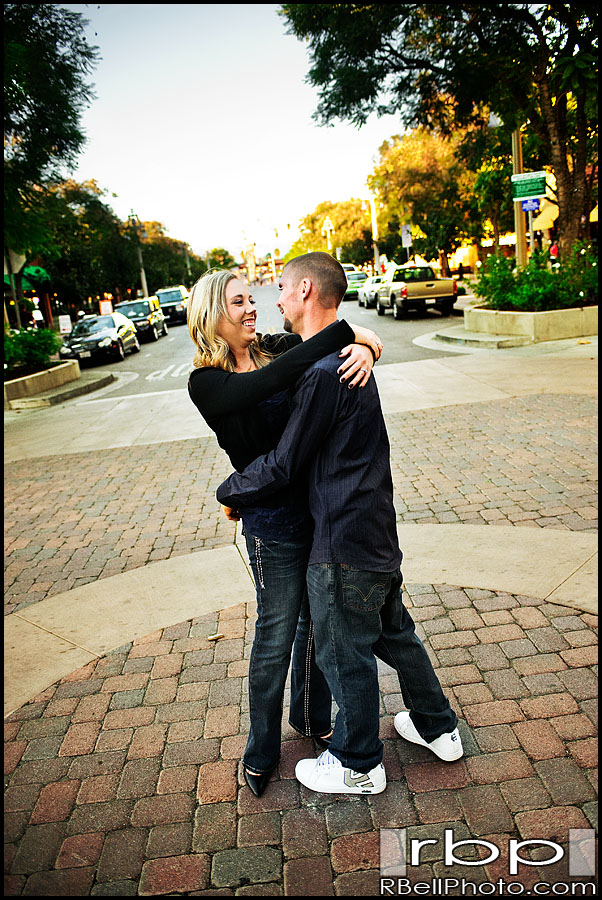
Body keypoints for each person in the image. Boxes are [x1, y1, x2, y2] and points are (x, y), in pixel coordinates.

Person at [217, 252, 462, 796]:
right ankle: (439, 728)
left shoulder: (324, 374)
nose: (271, 299)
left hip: (340, 536)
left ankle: (357, 762)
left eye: (279, 288)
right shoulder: (331, 362)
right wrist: (366, 344)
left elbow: (284, 464)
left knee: (339, 649)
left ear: (305, 290)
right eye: (247, 297)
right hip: (374, 527)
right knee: (395, 634)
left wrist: (228, 491)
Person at [187, 269, 383, 797]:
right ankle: (261, 749)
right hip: (272, 526)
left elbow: (322, 346)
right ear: (212, 314)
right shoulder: (206, 381)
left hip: (319, 511)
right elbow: (271, 383)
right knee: (275, 637)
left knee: (315, 625)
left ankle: (312, 716)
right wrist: (348, 335)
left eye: (253, 299)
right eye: (238, 302)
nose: (252, 309)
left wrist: (364, 347)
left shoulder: (275, 346)